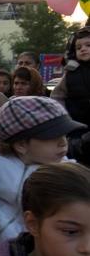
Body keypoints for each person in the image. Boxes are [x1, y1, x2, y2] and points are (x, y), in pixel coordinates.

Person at [0, 96, 85, 243]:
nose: (63, 143)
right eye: (53, 136)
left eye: (65, 135)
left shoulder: (67, 174)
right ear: (21, 145)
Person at [52, 26, 90, 162]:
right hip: (77, 127)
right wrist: (64, 116)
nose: (83, 49)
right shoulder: (71, 73)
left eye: (88, 45)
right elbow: (57, 96)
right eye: (78, 47)